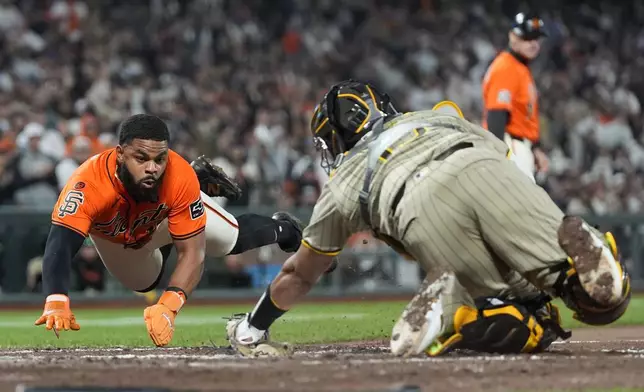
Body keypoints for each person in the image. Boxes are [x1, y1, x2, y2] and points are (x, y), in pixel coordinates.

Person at [225, 80, 631, 358]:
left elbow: (299, 275)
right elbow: (504, 162)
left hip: (419, 200)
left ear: (336, 138)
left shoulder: (343, 180)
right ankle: (585, 274)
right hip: (489, 168)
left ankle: (467, 311)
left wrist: (252, 326)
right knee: (598, 303)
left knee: (516, 316)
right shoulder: (440, 115)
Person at [33, 113, 310, 347]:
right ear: (119, 155)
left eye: (159, 159)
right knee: (144, 283)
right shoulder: (88, 183)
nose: (152, 168)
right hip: (120, 240)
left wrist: (169, 306)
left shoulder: (175, 176)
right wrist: (56, 296)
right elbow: (60, 243)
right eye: (141, 158)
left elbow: (193, 252)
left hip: (165, 212)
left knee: (229, 238)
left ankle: (285, 229)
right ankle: (191, 190)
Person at [482, 12, 549, 182]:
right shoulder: (506, 67)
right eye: (528, 38)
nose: (533, 43)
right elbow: (496, 115)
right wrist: (499, 157)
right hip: (510, 146)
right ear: (513, 37)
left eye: (537, 38)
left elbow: (524, 116)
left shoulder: (521, 68)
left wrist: (535, 147)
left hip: (521, 146)